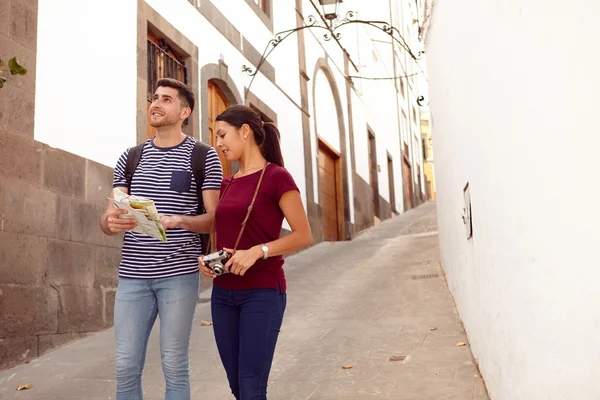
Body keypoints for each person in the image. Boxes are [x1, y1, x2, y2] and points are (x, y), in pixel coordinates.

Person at [100, 78, 223, 400]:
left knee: (174, 362)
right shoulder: (130, 157)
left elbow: (215, 219)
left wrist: (179, 220)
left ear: (185, 111)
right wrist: (110, 222)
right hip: (132, 277)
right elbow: (109, 213)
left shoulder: (203, 156)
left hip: (179, 275)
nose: (156, 103)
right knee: (126, 364)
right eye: (154, 98)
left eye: (166, 99)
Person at [199, 105, 312, 400]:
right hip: (223, 294)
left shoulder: (277, 177)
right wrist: (209, 259)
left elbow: (303, 234)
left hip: (262, 292)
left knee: (251, 386)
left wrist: (257, 251)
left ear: (245, 131)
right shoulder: (227, 183)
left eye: (222, 135)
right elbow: (225, 230)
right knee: (237, 386)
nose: (218, 143)